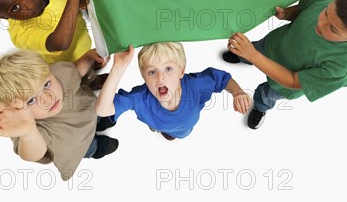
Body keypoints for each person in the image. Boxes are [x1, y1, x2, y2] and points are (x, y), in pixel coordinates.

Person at [222, 0, 347, 129]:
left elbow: (293, 81)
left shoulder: (344, 68)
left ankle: (260, 107)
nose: (321, 23)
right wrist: (287, 14)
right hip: (272, 45)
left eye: (333, 29)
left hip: (283, 83)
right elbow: (303, 9)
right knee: (251, 51)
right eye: (326, 13)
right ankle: (242, 57)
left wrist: (253, 55)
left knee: (266, 94)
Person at [0, 50, 118, 181]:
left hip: (90, 111)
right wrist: (29, 132)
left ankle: (101, 121)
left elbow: (75, 71)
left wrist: (88, 57)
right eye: (31, 100)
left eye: (47, 84)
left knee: (103, 115)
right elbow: (33, 153)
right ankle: (96, 148)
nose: (48, 99)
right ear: (15, 111)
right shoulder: (28, 129)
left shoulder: (56, 72)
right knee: (91, 148)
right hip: (79, 146)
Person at [96, 42, 251, 140]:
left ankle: (169, 132)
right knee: (159, 127)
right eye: (151, 72)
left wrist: (237, 92)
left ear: (181, 71)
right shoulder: (140, 98)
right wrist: (118, 67)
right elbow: (103, 110)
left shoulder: (196, 85)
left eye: (168, 68)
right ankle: (157, 128)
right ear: (144, 77)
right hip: (156, 121)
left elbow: (222, 79)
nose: (160, 77)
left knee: (181, 134)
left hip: (185, 128)